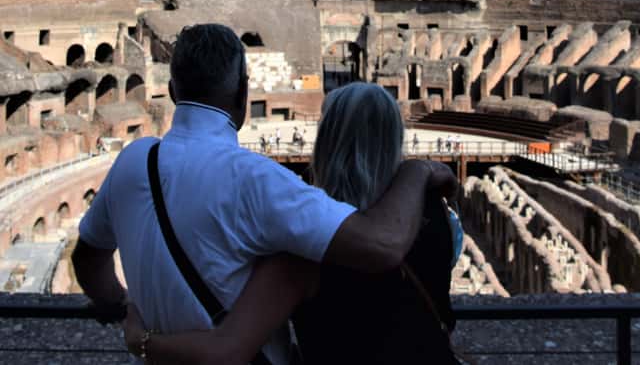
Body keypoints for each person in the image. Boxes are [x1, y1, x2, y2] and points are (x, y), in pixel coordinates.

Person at [73, 24, 455, 365]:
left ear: (172, 91)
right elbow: (382, 246)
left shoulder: (132, 161)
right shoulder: (260, 180)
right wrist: (416, 169)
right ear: (243, 91)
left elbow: (88, 259)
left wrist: (124, 309)